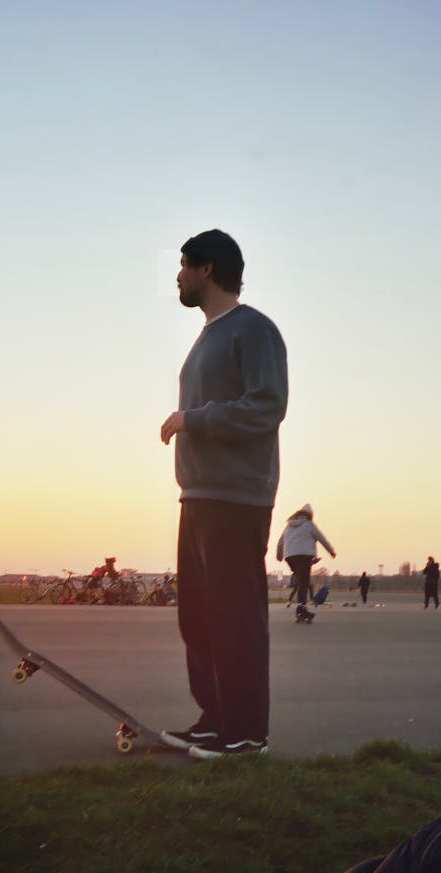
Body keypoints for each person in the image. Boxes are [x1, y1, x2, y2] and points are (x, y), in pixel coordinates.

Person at [160, 229, 288, 758]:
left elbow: (267, 406)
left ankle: (246, 733)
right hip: (198, 496)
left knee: (235, 615)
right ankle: (214, 720)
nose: (178, 276)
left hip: (237, 499)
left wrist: (191, 419)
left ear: (208, 269)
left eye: (185, 265)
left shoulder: (253, 330)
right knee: (198, 615)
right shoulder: (208, 335)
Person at [276, 504, 336, 623]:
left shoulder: (288, 526)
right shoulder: (309, 524)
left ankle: (301, 609)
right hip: (303, 557)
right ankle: (301, 610)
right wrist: (331, 551)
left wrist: (279, 556)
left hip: (291, 557)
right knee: (304, 583)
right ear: (309, 515)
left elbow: (280, 542)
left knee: (301, 582)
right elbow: (321, 538)